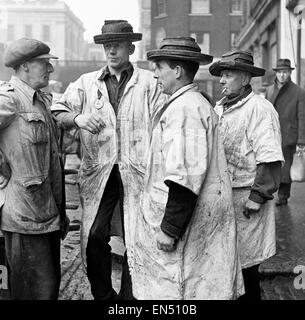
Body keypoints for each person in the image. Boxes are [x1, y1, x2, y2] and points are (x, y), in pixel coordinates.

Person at [51, 20, 165, 300]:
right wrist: (78, 118)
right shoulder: (87, 83)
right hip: (99, 172)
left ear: (131, 47)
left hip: (138, 172)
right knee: (93, 236)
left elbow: (166, 122)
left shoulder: (149, 82)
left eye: (117, 45)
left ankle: (129, 297)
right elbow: (58, 110)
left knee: (138, 238)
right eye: (107, 45)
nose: (111, 50)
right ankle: (104, 296)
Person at [131, 37, 244, 300]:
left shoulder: (186, 109)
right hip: (196, 224)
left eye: (159, 67)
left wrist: (170, 229)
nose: (155, 73)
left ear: (178, 70)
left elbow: (185, 177)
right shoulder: (188, 103)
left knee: (184, 293)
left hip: (186, 229)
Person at [209, 50, 284, 300]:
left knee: (246, 268)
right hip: (224, 198)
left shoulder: (259, 108)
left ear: (244, 78)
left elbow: (270, 157)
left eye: (227, 75)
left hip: (247, 201)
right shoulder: (219, 108)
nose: (221, 80)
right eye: (221, 75)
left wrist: (257, 197)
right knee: (227, 265)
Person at [0, 38, 69, 300]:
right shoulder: (11, 100)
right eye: (44, 64)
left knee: (47, 292)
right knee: (33, 293)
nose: (50, 69)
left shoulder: (40, 101)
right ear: (25, 66)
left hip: (46, 215)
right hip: (24, 219)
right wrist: (2, 166)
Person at [266, 59, 305, 205]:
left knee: (286, 168)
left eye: (285, 72)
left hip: (289, 136)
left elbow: (302, 117)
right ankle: (270, 192)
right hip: (272, 134)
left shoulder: (298, 92)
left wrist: (301, 141)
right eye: (279, 72)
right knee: (271, 164)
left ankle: (283, 195)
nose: (282, 75)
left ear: (289, 73)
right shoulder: (270, 90)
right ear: (275, 73)